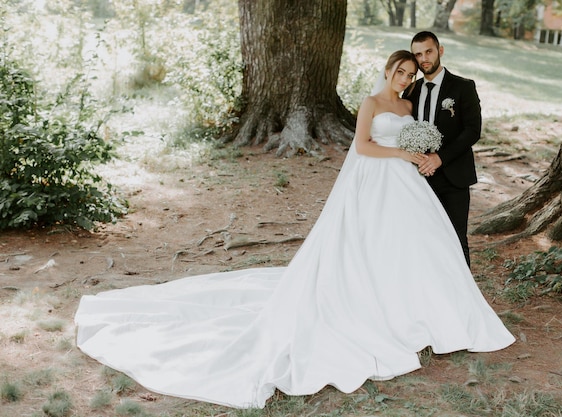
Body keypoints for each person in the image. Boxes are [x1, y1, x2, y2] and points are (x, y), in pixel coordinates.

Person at [74, 51, 514, 409]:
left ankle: (421, 308)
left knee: (414, 245)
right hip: (378, 178)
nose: (404, 78)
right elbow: (362, 145)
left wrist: (418, 149)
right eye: (400, 71)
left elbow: (416, 134)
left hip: (406, 186)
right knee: (370, 242)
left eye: (411, 73)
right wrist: (403, 155)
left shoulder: (408, 105)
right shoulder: (372, 103)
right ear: (387, 70)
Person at [402, 31, 482, 267]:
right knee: (421, 238)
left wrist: (440, 158)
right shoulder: (410, 90)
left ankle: (464, 297)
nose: (424, 58)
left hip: (454, 177)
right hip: (417, 177)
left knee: (456, 239)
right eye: (418, 54)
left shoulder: (463, 87)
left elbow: (472, 130)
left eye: (428, 51)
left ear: (440, 51)